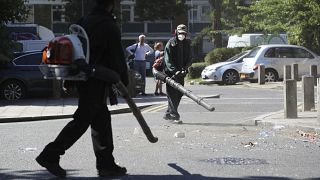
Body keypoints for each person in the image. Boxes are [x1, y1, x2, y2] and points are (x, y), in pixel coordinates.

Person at [35, 0, 129, 177]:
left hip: (83, 77)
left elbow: (75, 51)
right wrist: (123, 79)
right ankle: (50, 154)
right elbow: (116, 56)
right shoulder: (109, 25)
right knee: (82, 120)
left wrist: (69, 79)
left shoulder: (83, 21)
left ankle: (106, 164)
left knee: (101, 121)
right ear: (111, 4)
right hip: (97, 79)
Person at [163, 24, 192, 124]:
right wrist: (174, 71)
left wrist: (185, 68)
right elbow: (167, 60)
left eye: (184, 33)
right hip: (171, 74)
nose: (182, 35)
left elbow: (189, 58)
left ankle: (168, 113)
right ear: (176, 32)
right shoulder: (171, 43)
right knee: (172, 95)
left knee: (179, 94)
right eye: (180, 33)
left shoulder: (187, 44)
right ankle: (174, 115)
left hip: (181, 74)